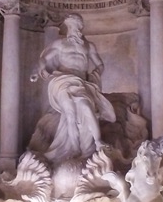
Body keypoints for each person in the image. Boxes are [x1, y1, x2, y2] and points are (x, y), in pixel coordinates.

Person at [29, 14, 116, 163]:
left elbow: (100, 65)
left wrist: (95, 75)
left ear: (80, 27)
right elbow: (44, 59)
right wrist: (37, 71)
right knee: (69, 112)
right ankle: (75, 148)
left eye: (74, 26)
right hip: (62, 80)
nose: (72, 29)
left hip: (80, 82)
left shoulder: (88, 46)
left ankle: (98, 141)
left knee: (86, 107)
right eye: (70, 27)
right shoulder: (60, 44)